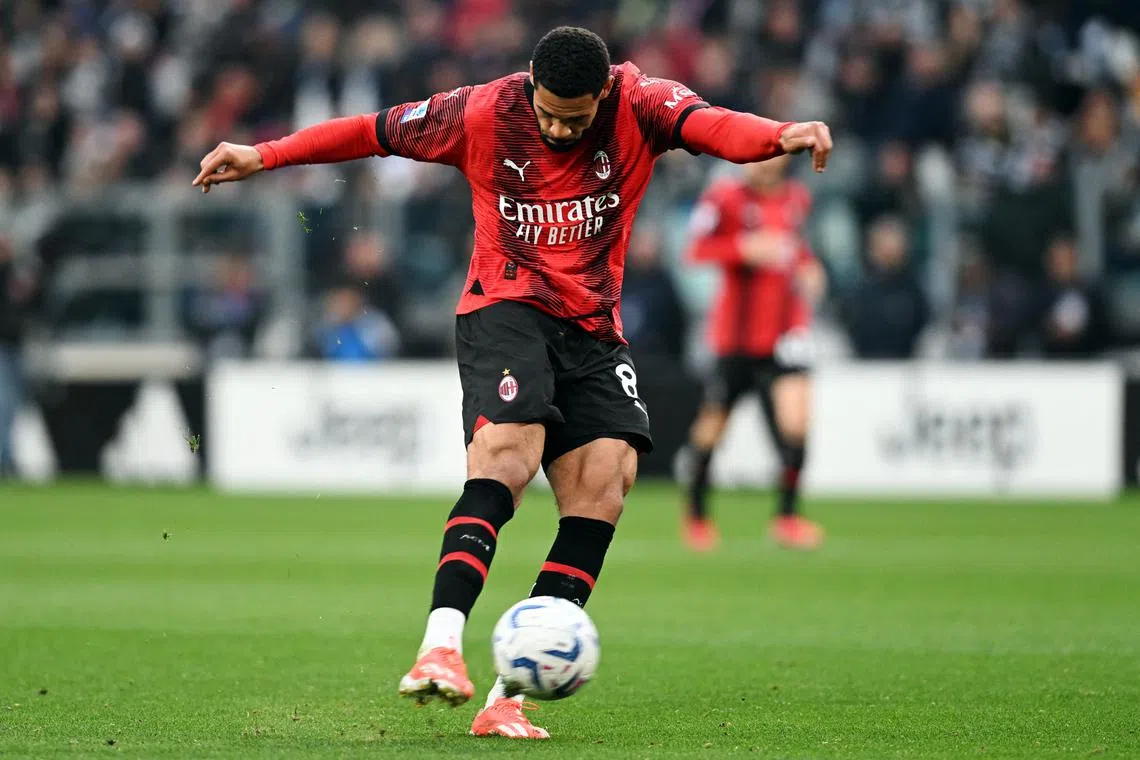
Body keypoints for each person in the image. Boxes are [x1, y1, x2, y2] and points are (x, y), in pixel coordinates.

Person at [193, 26, 832, 740]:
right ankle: (439, 648)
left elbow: (712, 125)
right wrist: (266, 153)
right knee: (509, 458)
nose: (561, 127)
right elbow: (372, 131)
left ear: (605, 95)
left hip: (591, 328)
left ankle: (507, 697)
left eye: (577, 116)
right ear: (531, 80)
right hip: (505, 309)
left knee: (607, 483)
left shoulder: (642, 102)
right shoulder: (481, 111)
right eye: (551, 111)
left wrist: (780, 134)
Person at [682, 155, 826, 552]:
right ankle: (696, 515)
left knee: (797, 423)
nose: (760, 163)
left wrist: (811, 268)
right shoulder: (723, 198)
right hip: (736, 341)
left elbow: (798, 250)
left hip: (785, 335)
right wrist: (742, 248)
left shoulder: (796, 198)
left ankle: (787, 517)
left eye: (771, 155)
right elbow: (694, 250)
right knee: (712, 429)